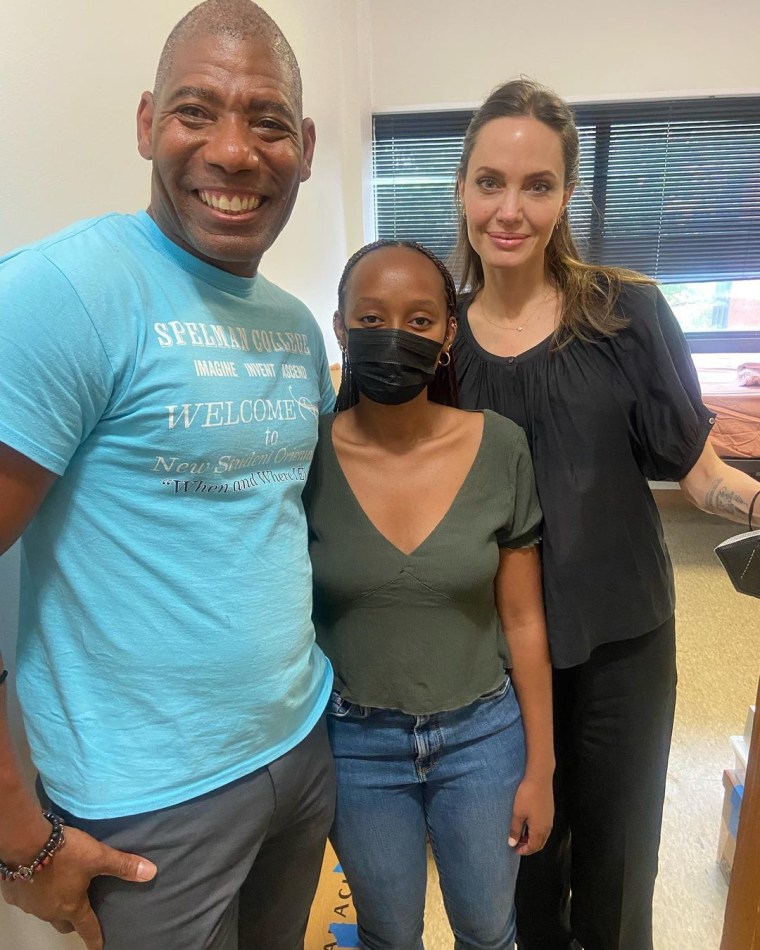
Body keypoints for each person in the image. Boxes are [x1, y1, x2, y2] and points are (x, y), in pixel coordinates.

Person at [0, 2, 337, 948]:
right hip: (142, 804)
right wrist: (19, 837)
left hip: (299, 744)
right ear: (148, 122)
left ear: (304, 146)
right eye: (198, 111)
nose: (234, 152)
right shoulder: (60, 296)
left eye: (268, 121)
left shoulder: (297, 327)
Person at [451, 78, 760, 950]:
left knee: (620, 875)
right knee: (525, 870)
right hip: (496, 662)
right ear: (462, 187)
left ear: (566, 194)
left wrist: (757, 499)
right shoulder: (439, 340)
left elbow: (697, 472)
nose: (510, 209)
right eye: (489, 182)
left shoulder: (627, 314)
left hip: (624, 639)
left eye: (537, 185)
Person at [302, 238, 555, 950]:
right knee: (388, 933)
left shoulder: (500, 447)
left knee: (487, 929)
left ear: (448, 334)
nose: (394, 335)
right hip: (355, 746)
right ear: (340, 327)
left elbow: (524, 619)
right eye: (372, 316)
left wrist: (542, 766)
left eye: (419, 321)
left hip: (483, 740)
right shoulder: (305, 454)